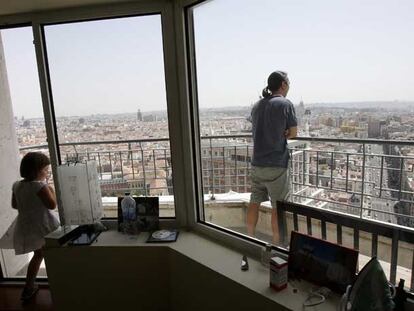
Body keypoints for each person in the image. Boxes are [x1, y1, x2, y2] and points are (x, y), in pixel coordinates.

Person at [247, 71, 297, 244]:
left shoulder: (257, 105)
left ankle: (249, 238)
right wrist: (284, 133)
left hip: (256, 163)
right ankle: (276, 244)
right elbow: (293, 133)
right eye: (288, 83)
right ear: (283, 84)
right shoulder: (285, 104)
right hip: (276, 164)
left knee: (254, 201)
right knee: (278, 207)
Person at [11, 152, 60, 301]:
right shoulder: (39, 186)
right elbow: (52, 205)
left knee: (38, 255)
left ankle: (28, 286)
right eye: (46, 170)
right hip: (43, 226)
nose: (47, 173)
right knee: (52, 253)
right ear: (37, 171)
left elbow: (14, 205)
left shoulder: (17, 185)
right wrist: (51, 189)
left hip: (27, 226)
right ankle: (60, 283)